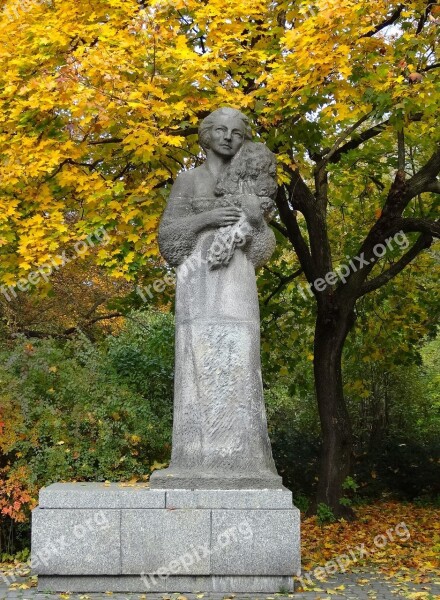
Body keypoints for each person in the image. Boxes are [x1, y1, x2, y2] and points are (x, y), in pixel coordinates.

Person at [150, 107, 283, 489]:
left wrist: (255, 220)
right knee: (196, 361)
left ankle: (243, 458)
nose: (228, 137)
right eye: (220, 130)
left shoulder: (253, 180)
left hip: (238, 288)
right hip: (196, 285)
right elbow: (169, 241)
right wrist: (207, 220)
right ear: (205, 135)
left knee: (240, 361)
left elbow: (262, 252)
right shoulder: (188, 181)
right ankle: (192, 459)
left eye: (237, 133)